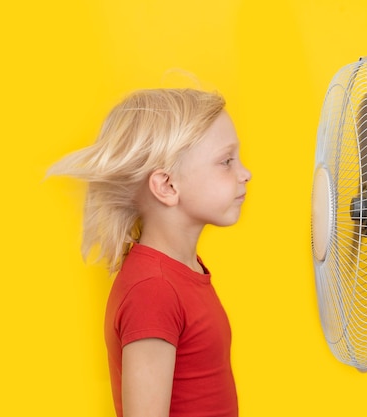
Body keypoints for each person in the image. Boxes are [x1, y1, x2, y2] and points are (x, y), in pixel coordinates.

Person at [47, 88, 252, 417]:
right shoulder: (153, 290)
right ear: (168, 186)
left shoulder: (183, 271)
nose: (245, 173)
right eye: (226, 161)